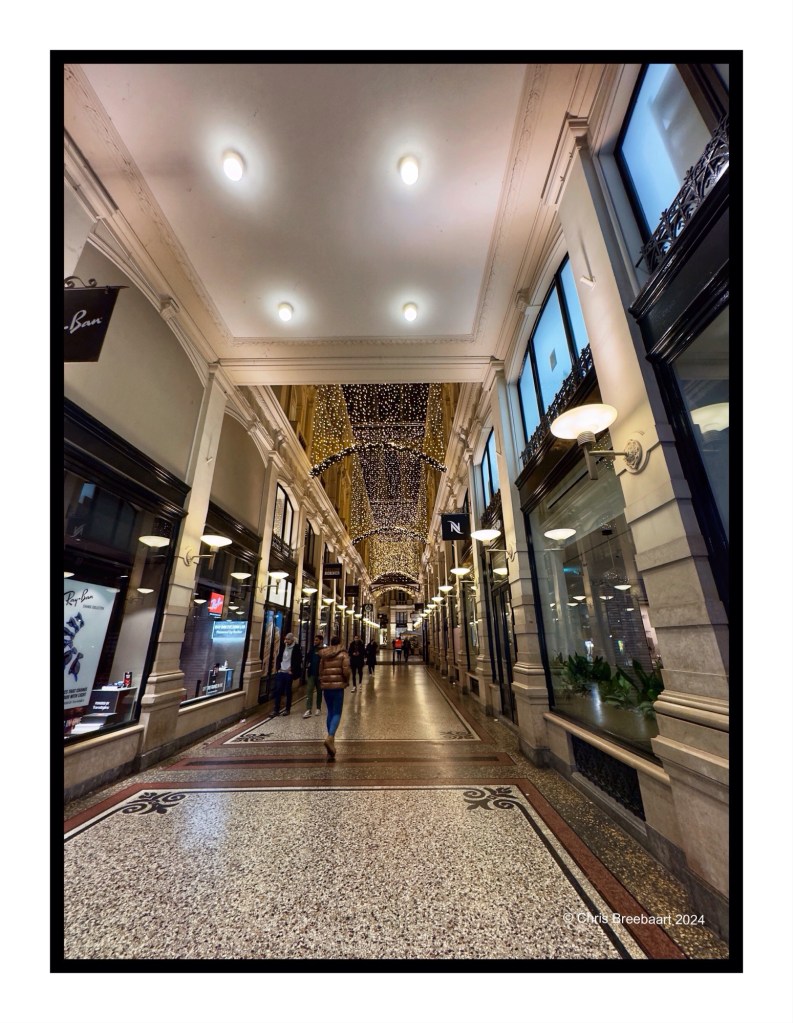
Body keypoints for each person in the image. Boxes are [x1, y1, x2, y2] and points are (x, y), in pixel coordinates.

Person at [318, 634, 350, 758]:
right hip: (338, 687)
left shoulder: (324, 654)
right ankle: (330, 737)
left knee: (330, 712)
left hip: (327, 687)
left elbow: (320, 671)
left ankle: (330, 740)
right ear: (340, 643)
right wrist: (346, 680)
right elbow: (346, 670)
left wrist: (323, 680)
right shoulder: (343, 654)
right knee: (337, 712)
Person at [271, 633, 302, 717]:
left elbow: (298, 660)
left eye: (288, 639)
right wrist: (278, 668)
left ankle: (287, 709)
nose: (286, 641)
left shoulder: (296, 648)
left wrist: (292, 670)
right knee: (278, 690)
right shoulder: (283, 647)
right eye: (286, 639)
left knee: (288, 691)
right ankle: (276, 710)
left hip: (289, 673)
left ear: (292, 640)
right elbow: (279, 658)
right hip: (281, 671)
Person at [302, 634, 324, 717]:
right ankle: (308, 709)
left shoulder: (324, 650)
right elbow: (308, 658)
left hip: (320, 675)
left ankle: (318, 708)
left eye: (317, 640)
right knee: (309, 691)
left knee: (319, 691)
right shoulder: (312, 649)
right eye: (315, 640)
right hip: (311, 673)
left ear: (321, 641)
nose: (315, 641)